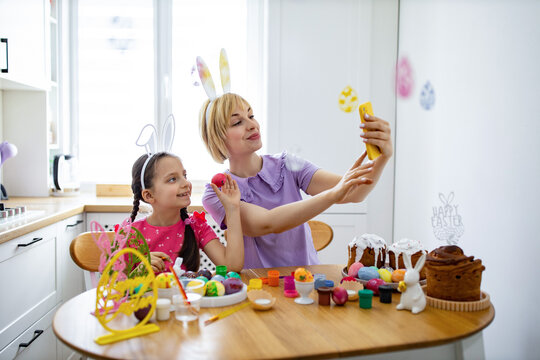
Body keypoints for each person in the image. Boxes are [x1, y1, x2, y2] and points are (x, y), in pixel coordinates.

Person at [199, 93, 393, 268]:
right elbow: (267, 223)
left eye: (251, 116)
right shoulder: (217, 192)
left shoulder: (287, 164)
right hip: (260, 288)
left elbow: (355, 193)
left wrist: (382, 157)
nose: (252, 125)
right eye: (237, 122)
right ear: (218, 137)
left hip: (308, 281)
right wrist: (333, 195)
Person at [130, 151, 243, 273]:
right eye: (172, 179)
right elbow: (114, 285)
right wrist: (138, 272)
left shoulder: (196, 226)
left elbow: (232, 266)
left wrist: (232, 209)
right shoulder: (130, 234)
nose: (186, 183)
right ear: (149, 195)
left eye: (185, 176)